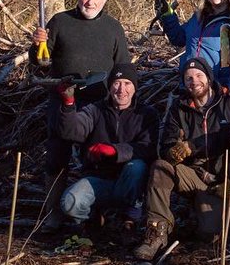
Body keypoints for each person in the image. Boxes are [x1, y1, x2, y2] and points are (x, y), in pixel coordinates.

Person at [30, 0, 131, 231]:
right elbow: (41, 63)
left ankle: (95, 216)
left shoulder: (113, 28)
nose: (90, 1)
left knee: (97, 158)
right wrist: (37, 47)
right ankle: (51, 214)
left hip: (99, 104)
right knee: (56, 156)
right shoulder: (60, 21)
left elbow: (124, 68)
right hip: (63, 100)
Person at [135, 59, 230, 260]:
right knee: (161, 168)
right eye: (189, 78)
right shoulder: (179, 107)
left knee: (210, 235)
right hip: (192, 174)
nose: (194, 81)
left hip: (221, 178)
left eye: (199, 76)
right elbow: (166, 148)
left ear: (209, 78)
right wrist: (175, 152)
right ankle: (156, 233)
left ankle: (199, 214)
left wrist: (192, 146)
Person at [52, 62, 158, 233]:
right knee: (70, 202)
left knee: (137, 167)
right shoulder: (95, 110)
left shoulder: (146, 114)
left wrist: (115, 151)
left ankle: (129, 219)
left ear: (134, 88)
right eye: (116, 83)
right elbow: (71, 132)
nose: (121, 89)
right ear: (109, 86)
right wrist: (68, 103)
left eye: (127, 84)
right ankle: (92, 219)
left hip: (129, 183)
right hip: (98, 180)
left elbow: (148, 149)